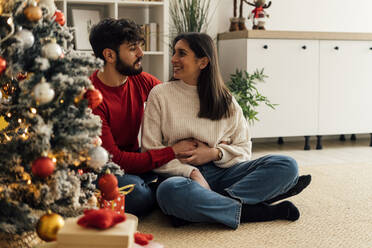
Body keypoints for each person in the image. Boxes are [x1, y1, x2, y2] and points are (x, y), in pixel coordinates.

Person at [141, 32, 311, 229]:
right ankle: (255, 210)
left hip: (222, 173)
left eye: (181, 53)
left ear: (203, 62)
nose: (173, 59)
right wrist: (192, 172)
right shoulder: (160, 94)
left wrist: (215, 153)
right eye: (174, 52)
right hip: (181, 175)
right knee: (168, 192)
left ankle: (205, 207)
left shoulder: (225, 100)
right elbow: (150, 150)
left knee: (286, 165)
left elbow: (244, 148)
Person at [88, 18, 197, 216]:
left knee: (194, 164)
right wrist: (171, 152)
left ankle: (166, 190)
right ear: (109, 55)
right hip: (102, 169)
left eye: (140, 46)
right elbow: (116, 159)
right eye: (132, 49)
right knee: (137, 194)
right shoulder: (91, 97)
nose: (141, 53)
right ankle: (166, 194)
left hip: (135, 158)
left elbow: (176, 101)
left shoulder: (140, 79)